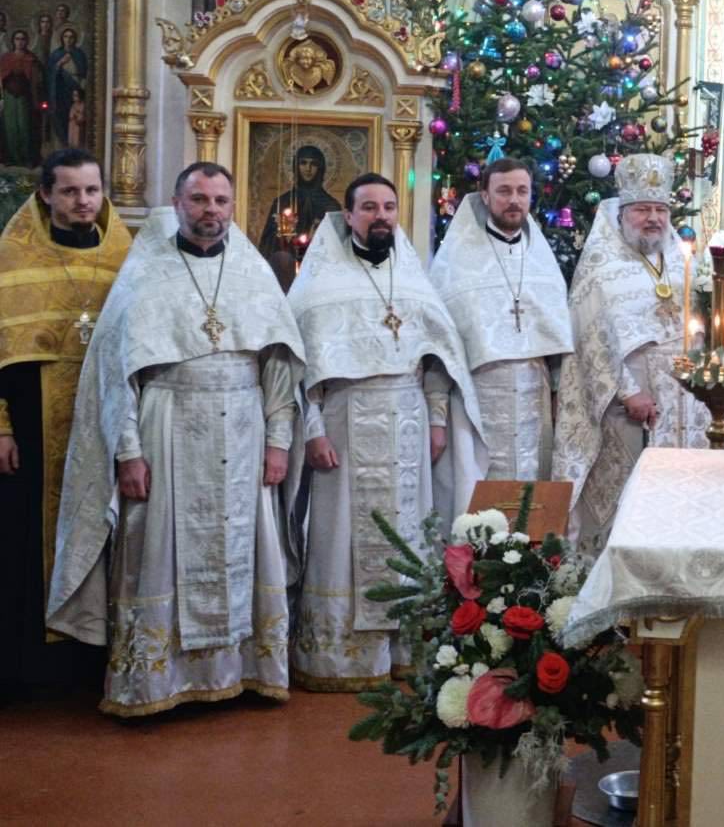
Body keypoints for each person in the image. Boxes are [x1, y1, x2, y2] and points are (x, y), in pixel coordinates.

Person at [48, 163, 305, 717]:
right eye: (199, 199)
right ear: (177, 203)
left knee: (244, 548)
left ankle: (243, 673)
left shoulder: (253, 273)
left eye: (220, 200)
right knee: (157, 549)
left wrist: (279, 442)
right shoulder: (145, 274)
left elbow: (280, 366)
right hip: (166, 426)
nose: (211, 210)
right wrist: (128, 452)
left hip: (244, 428)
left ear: (232, 205)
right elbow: (118, 377)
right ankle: (156, 683)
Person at [286, 174, 484, 690]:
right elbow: (301, 369)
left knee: (408, 533)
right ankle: (342, 658)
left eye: (389, 207)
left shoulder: (414, 279)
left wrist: (437, 420)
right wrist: (313, 432)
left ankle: (404, 650)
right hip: (344, 422)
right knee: (340, 537)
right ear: (348, 215)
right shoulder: (319, 283)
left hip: (407, 420)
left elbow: (438, 359)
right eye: (369, 207)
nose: (381, 216)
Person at [0, 149, 131, 697]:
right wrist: (2, 427)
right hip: (31, 424)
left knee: (102, 530)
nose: (83, 201)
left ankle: (87, 662)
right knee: (23, 539)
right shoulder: (11, 256)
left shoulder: (125, 258)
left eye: (92, 191)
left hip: (103, 420)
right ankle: (25, 667)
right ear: (46, 195)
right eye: (71, 191)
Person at [553, 154, 710, 548]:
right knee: (628, 495)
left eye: (660, 209)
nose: (653, 218)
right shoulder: (600, 265)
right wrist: (627, 391)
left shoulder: (682, 258)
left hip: (683, 398)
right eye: (642, 209)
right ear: (623, 213)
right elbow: (588, 336)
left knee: (681, 491)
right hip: (629, 401)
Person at [429, 157, 572, 481]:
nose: (514, 200)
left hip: (535, 402)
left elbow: (558, 344)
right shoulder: (456, 261)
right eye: (504, 191)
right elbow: (439, 347)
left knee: (532, 496)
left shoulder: (542, 261)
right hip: (476, 400)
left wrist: (561, 401)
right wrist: (436, 418)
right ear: (485, 195)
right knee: (477, 496)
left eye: (522, 191)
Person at [256, 145, 342, 288]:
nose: (308, 169)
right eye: (303, 163)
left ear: (321, 168)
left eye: (313, 164)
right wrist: (283, 235)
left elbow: (337, 249)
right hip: (285, 275)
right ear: (296, 166)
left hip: (321, 277)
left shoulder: (331, 205)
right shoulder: (282, 202)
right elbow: (267, 245)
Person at [0, 29, 45, 165]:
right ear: (13, 41)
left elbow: (37, 80)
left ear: (27, 41)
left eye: (22, 39)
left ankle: (27, 159)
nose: (20, 42)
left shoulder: (31, 59)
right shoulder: (6, 58)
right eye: (17, 39)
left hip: (25, 97)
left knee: (25, 127)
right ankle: (11, 158)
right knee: (10, 127)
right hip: (8, 96)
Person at [45, 27, 88, 145]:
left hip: (75, 89)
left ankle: (74, 143)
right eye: (66, 36)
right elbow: (50, 74)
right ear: (61, 38)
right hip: (60, 90)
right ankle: (62, 142)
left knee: (75, 117)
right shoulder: (56, 54)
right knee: (62, 115)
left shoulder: (79, 54)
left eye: (71, 37)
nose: (68, 39)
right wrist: (60, 63)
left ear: (75, 39)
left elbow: (84, 73)